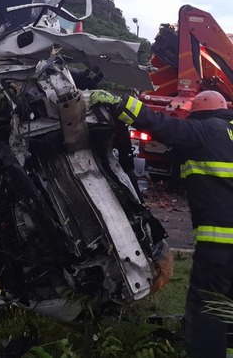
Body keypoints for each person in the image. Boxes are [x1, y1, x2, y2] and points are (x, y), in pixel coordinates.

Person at [90, 89, 233, 357]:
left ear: (199, 115)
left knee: (208, 312)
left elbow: (160, 124)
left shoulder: (203, 131)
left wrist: (121, 104)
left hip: (220, 247)